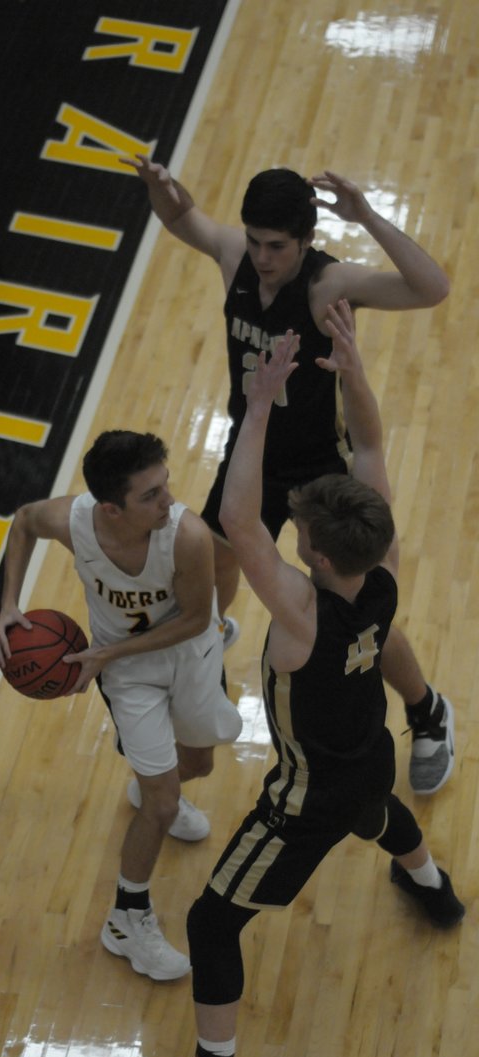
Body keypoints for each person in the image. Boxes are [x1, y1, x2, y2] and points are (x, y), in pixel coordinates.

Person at [140, 302, 464, 1057]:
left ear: (314, 556)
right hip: (364, 757)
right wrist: (353, 376)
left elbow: (241, 522)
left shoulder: (300, 615)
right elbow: (375, 449)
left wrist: (257, 406)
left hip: (300, 802)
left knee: (213, 921)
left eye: (305, 536)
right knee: (378, 809)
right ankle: (434, 888)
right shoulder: (383, 572)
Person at [125, 155, 454, 795]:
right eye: (254, 241)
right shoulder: (236, 259)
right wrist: (162, 189)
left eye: (277, 246)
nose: (263, 256)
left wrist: (366, 216)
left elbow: (431, 288)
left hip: (320, 469)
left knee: (360, 616)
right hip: (251, 453)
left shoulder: (328, 286)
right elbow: (184, 218)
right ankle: (203, 661)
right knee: (210, 571)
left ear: (305, 241)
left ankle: (426, 709)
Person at [0, 431, 242, 981]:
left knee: (197, 765)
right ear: (110, 508)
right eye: (150, 495)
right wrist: (9, 604)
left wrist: (106, 651)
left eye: (166, 485)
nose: (169, 501)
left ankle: (152, 782)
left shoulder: (187, 536)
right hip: (127, 676)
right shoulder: (73, 521)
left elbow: (196, 618)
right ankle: (126, 921)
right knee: (164, 803)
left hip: (187, 650)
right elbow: (23, 521)